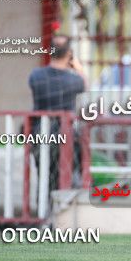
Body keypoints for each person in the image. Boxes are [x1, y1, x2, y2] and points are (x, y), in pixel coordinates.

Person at [28, 35, 86, 192]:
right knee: (64, 180)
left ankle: (43, 212)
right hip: (65, 137)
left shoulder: (35, 76)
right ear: (69, 54)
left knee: (44, 178)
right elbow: (85, 84)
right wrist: (78, 67)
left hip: (40, 134)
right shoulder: (75, 80)